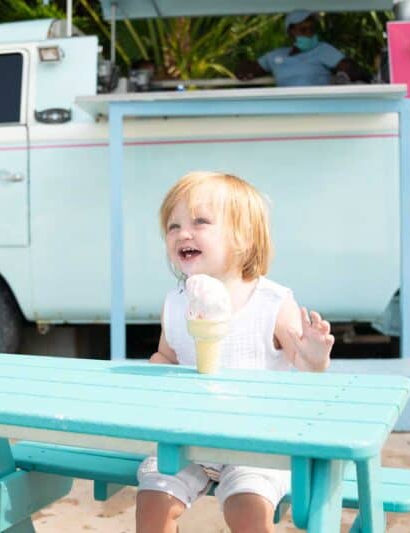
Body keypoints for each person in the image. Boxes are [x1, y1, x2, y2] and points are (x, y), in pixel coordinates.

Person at [137, 171, 335, 533]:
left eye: (200, 222)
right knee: (152, 506)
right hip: (188, 437)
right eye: (173, 225)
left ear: (243, 238)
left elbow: (307, 367)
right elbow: (166, 356)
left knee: (248, 512)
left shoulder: (272, 301)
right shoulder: (176, 302)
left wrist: (314, 355)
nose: (183, 233)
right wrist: (155, 374)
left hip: (255, 442)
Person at [236, 10, 370, 87]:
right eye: (303, 29)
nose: (309, 33)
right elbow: (249, 69)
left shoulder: (322, 49)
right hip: (286, 111)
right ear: (290, 32)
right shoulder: (276, 56)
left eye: (312, 29)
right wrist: (242, 69)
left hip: (319, 110)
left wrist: (343, 75)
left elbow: (349, 67)